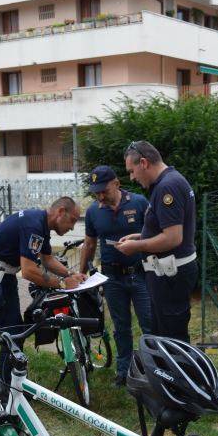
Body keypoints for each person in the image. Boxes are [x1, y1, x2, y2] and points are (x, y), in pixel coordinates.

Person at [0, 196, 85, 382]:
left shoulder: (40, 223)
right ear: (60, 212)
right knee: (12, 335)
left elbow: (47, 259)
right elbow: (28, 271)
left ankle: (12, 383)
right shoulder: (34, 226)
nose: (73, 227)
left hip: (4, 274)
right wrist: (64, 284)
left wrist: (69, 274)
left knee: (14, 331)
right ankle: (7, 391)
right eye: (73, 220)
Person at [117, 141, 197, 342]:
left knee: (172, 339)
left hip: (170, 275)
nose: (132, 177)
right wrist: (140, 236)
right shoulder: (169, 180)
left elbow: (173, 237)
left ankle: (178, 374)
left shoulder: (167, 186)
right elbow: (166, 228)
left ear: (143, 162)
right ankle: (171, 371)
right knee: (166, 335)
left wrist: (137, 246)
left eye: (132, 170)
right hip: (169, 274)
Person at [79, 165, 152, 387]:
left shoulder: (139, 203)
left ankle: (152, 371)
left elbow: (154, 233)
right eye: (96, 192)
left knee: (149, 324)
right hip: (112, 278)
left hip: (140, 274)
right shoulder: (93, 212)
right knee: (121, 327)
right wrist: (81, 273)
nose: (100, 196)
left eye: (104, 190)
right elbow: (90, 244)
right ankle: (124, 371)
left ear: (116, 184)